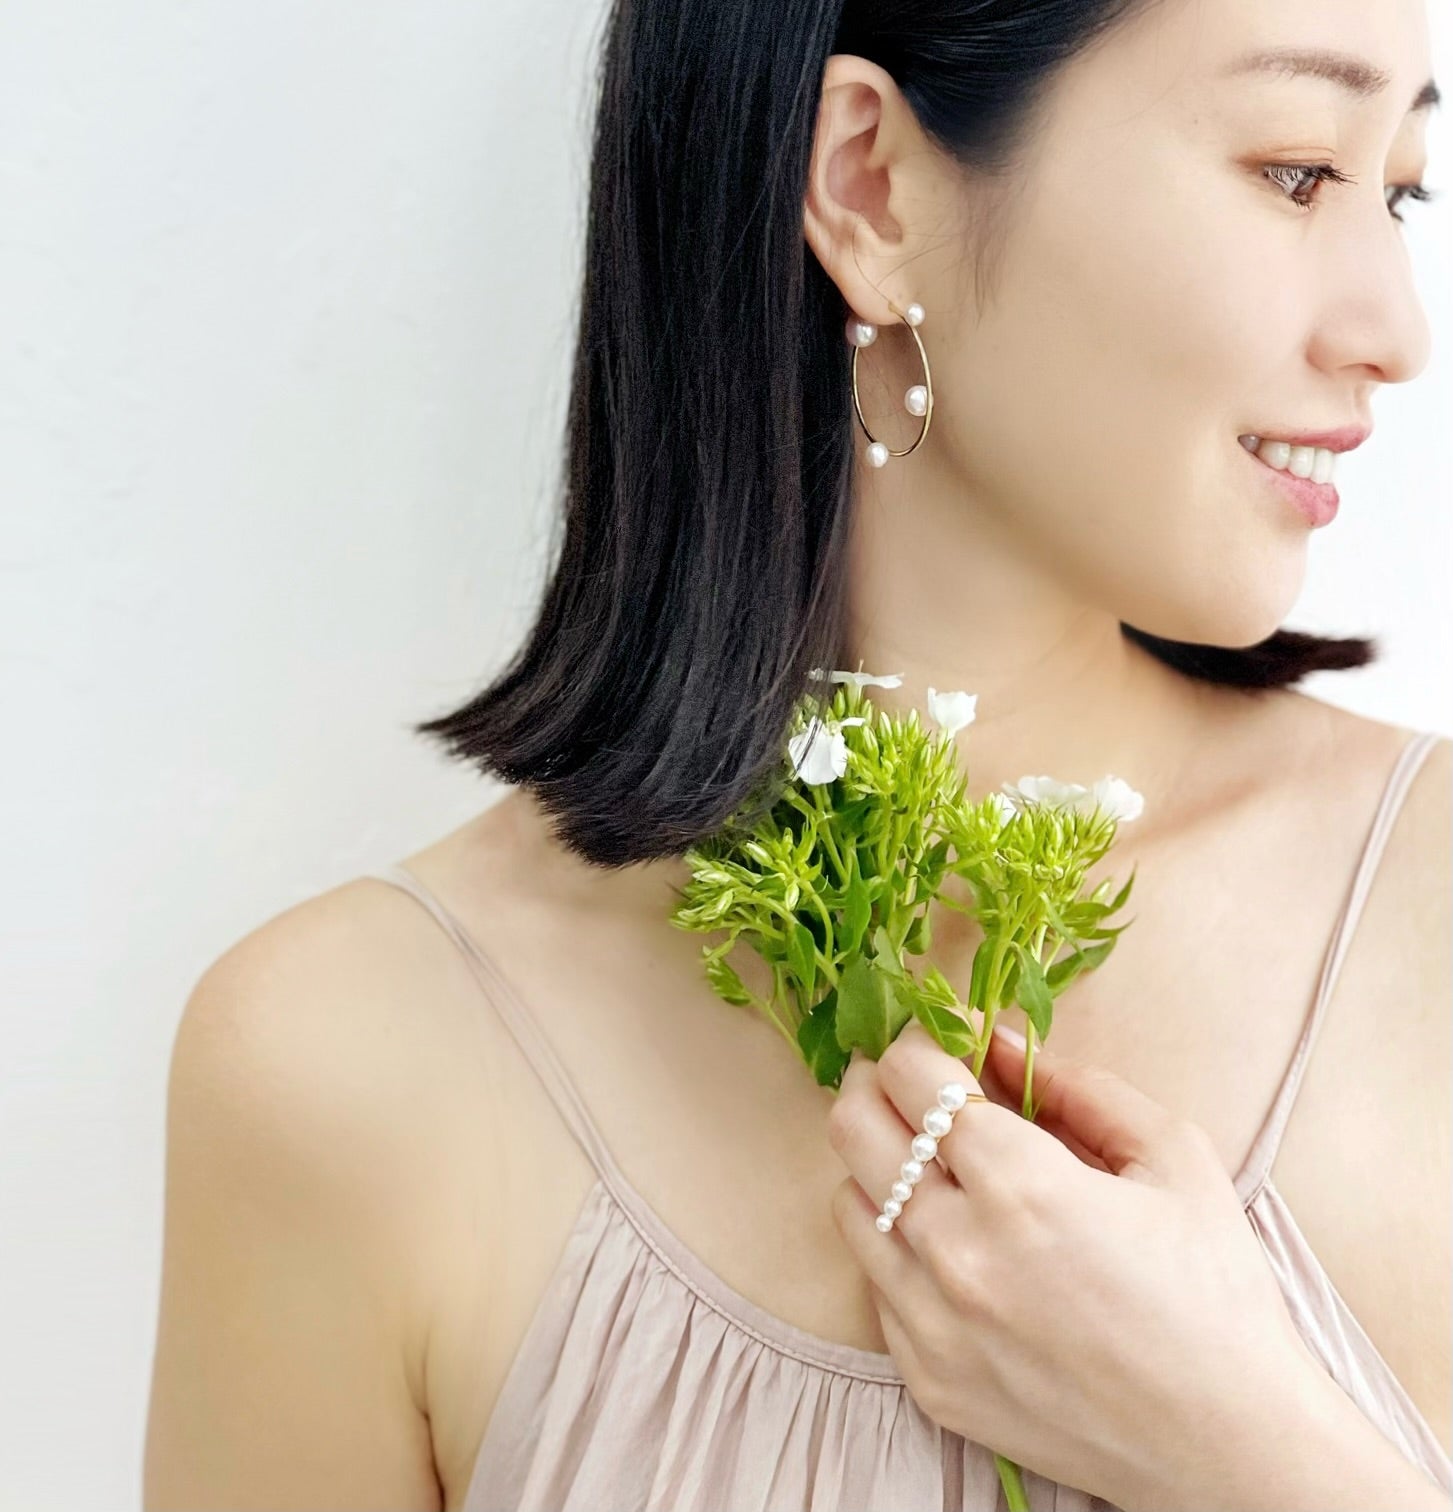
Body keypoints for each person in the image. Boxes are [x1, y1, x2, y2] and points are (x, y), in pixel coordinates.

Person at [143, 0, 1452, 1507]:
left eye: (1398, 188)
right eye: (1296, 171)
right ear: (869, 186)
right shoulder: (341, 1062)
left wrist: (1239, 1450)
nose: (1396, 331)